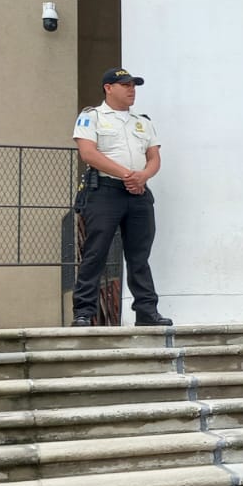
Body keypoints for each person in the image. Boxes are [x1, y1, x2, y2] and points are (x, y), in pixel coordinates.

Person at [70, 68, 173, 328]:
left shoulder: (143, 121)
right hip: (105, 191)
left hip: (137, 193)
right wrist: (128, 174)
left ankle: (147, 311)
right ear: (108, 87)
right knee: (96, 253)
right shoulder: (91, 116)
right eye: (125, 85)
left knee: (139, 255)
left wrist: (142, 177)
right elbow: (88, 154)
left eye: (134, 86)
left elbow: (154, 157)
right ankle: (84, 312)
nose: (131, 90)